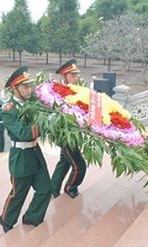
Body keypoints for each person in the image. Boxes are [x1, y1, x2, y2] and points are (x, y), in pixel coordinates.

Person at [0, 66, 51, 233]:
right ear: (15, 88)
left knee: (45, 188)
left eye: (30, 86)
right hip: (20, 156)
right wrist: (47, 123)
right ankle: (6, 220)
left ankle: (32, 217)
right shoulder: (8, 110)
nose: (29, 90)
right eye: (25, 87)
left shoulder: (32, 102)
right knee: (19, 193)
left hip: (35, 153)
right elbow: (22, 133)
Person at [51, 59, 87, 199]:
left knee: (65, 161)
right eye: (72, 76)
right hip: (65, 135)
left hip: (74, 133)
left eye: (76, 75)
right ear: (64, 76)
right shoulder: (57, 92)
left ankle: (53, 188)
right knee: (79, 165)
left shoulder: (77, 90)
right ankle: (70, 186)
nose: (76, 78)